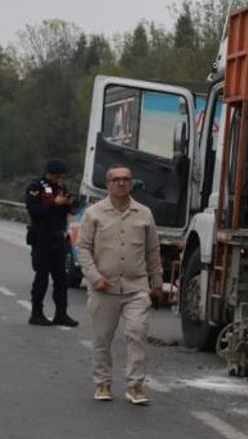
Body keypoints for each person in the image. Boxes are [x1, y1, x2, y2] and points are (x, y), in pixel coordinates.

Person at [76, 165, 164, 405]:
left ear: (132, 184)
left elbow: (152, 250)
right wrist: (94, 277)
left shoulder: (144, 213)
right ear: (108, 184)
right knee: (102, 338)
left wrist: (157, 282)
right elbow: (83, 247)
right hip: (104, 288)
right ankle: (103, 382)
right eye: (116, 179)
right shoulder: (94, 213)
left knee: (137, 333)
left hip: (136, 287)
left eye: (126, 179)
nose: (121, 183)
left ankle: (135, 385)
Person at [24, 159, 78, 327]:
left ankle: (61, 314)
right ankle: (36, 313)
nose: (58, 179)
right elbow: (35, 211)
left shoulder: (61, 188)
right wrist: (53, 204)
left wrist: (68, 204)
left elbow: (69, 211)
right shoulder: (36, 187)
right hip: (41, 237)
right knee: (42, 277)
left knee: (61, 278)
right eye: (55, 176)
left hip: (58, 237)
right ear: (48, 173)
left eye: (61, 177)